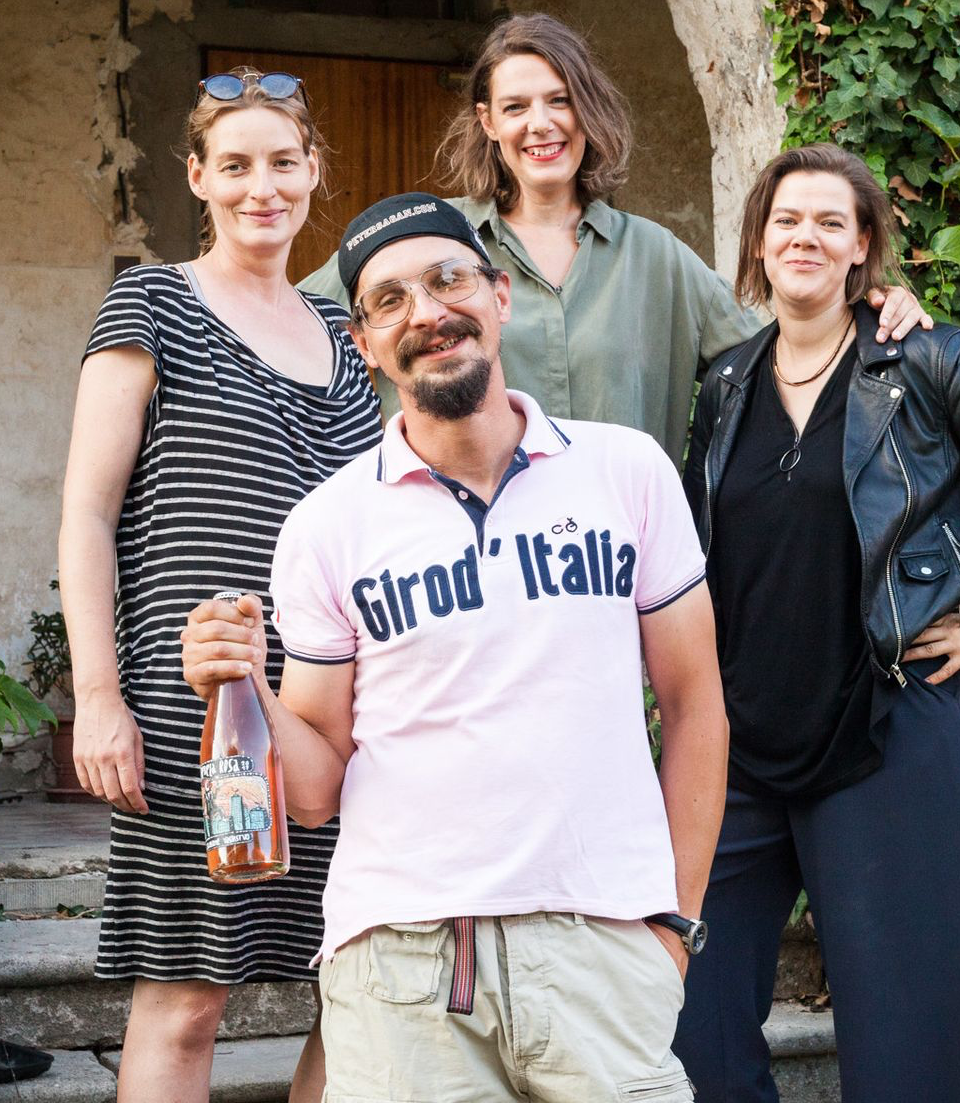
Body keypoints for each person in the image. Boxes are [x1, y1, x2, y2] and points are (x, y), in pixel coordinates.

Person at [180, 193, 729, 1102]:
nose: (428, 313)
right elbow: (313, 794)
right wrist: (246, 688)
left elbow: (695, 706)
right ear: (363, 343)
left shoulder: (627, 471)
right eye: (390, 300)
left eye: (448, 280)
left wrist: (675, 924)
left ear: (499, 295)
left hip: (600, 950)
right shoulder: (328, 524)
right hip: (402, 972)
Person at [672, 144, 960, 1102]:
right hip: (742, 734)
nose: (807, 238)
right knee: (687, 1021)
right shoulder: (728, 383)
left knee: (920, 1040)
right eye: (788, 220)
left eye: (831, 222)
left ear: (862, 246)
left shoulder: (925, 360)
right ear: (759, 241)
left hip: (889, 717)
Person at [57, 70, 382, 1103]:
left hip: (329, 707)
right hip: (196, 705)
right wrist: (98, 696)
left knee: (357, 991)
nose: (261, 187)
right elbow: (87, 513)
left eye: (283, 162)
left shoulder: (345, 334)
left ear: (313, 170)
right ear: (197, 176)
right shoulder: (151, 303)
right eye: (235, 165)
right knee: (187, 999)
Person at [301, 12, 931, 462]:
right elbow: (284, 330)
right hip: (459, 561)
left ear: (588, 108)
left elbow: (785, 358)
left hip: (624, 569)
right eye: (516, 107)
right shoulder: (429, 243)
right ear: (488, 122)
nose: (540, 124)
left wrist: (866, 308)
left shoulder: (657, 258)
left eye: (560, 100)